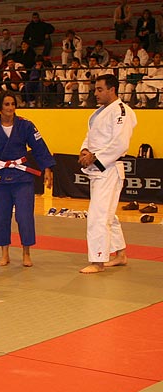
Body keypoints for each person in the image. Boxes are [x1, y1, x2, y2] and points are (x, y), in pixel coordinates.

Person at [0, 93, 55, 267]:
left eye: (13, 104)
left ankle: (26, 253)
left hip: (22, 177)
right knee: (0, 218)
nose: (10, 107)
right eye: (7, 104)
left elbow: (39, 147)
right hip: (0, 179)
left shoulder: (26, 125)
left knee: (24, 217)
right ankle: (5, 253)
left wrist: (47, 168)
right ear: (0, 107)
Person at [78, 74, 136, 273]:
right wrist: (85, 151)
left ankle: (98, 261)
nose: (96, 93)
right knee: (108, 215)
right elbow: (90, 136)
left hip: (109, 169)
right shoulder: (98, 113)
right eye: (95, 90)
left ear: (112, 89)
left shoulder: (121, 111)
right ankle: (120, 254)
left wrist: (95, 157)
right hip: (98, 169)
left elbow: (120, 144)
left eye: (100, 89)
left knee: (98, 216)